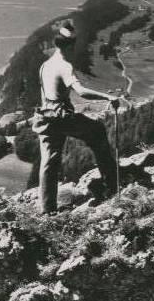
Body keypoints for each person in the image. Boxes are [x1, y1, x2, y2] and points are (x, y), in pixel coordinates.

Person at [32, 21, 120, 214]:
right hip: (61, 117)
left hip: (44, 117)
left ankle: (47, 210)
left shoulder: (45, 65)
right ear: (70, 46)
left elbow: (45, 94)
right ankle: (112, 186)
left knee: (49, 162)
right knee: (97, 131)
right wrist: (108, 96)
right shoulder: (65, 66)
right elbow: (81, 92)